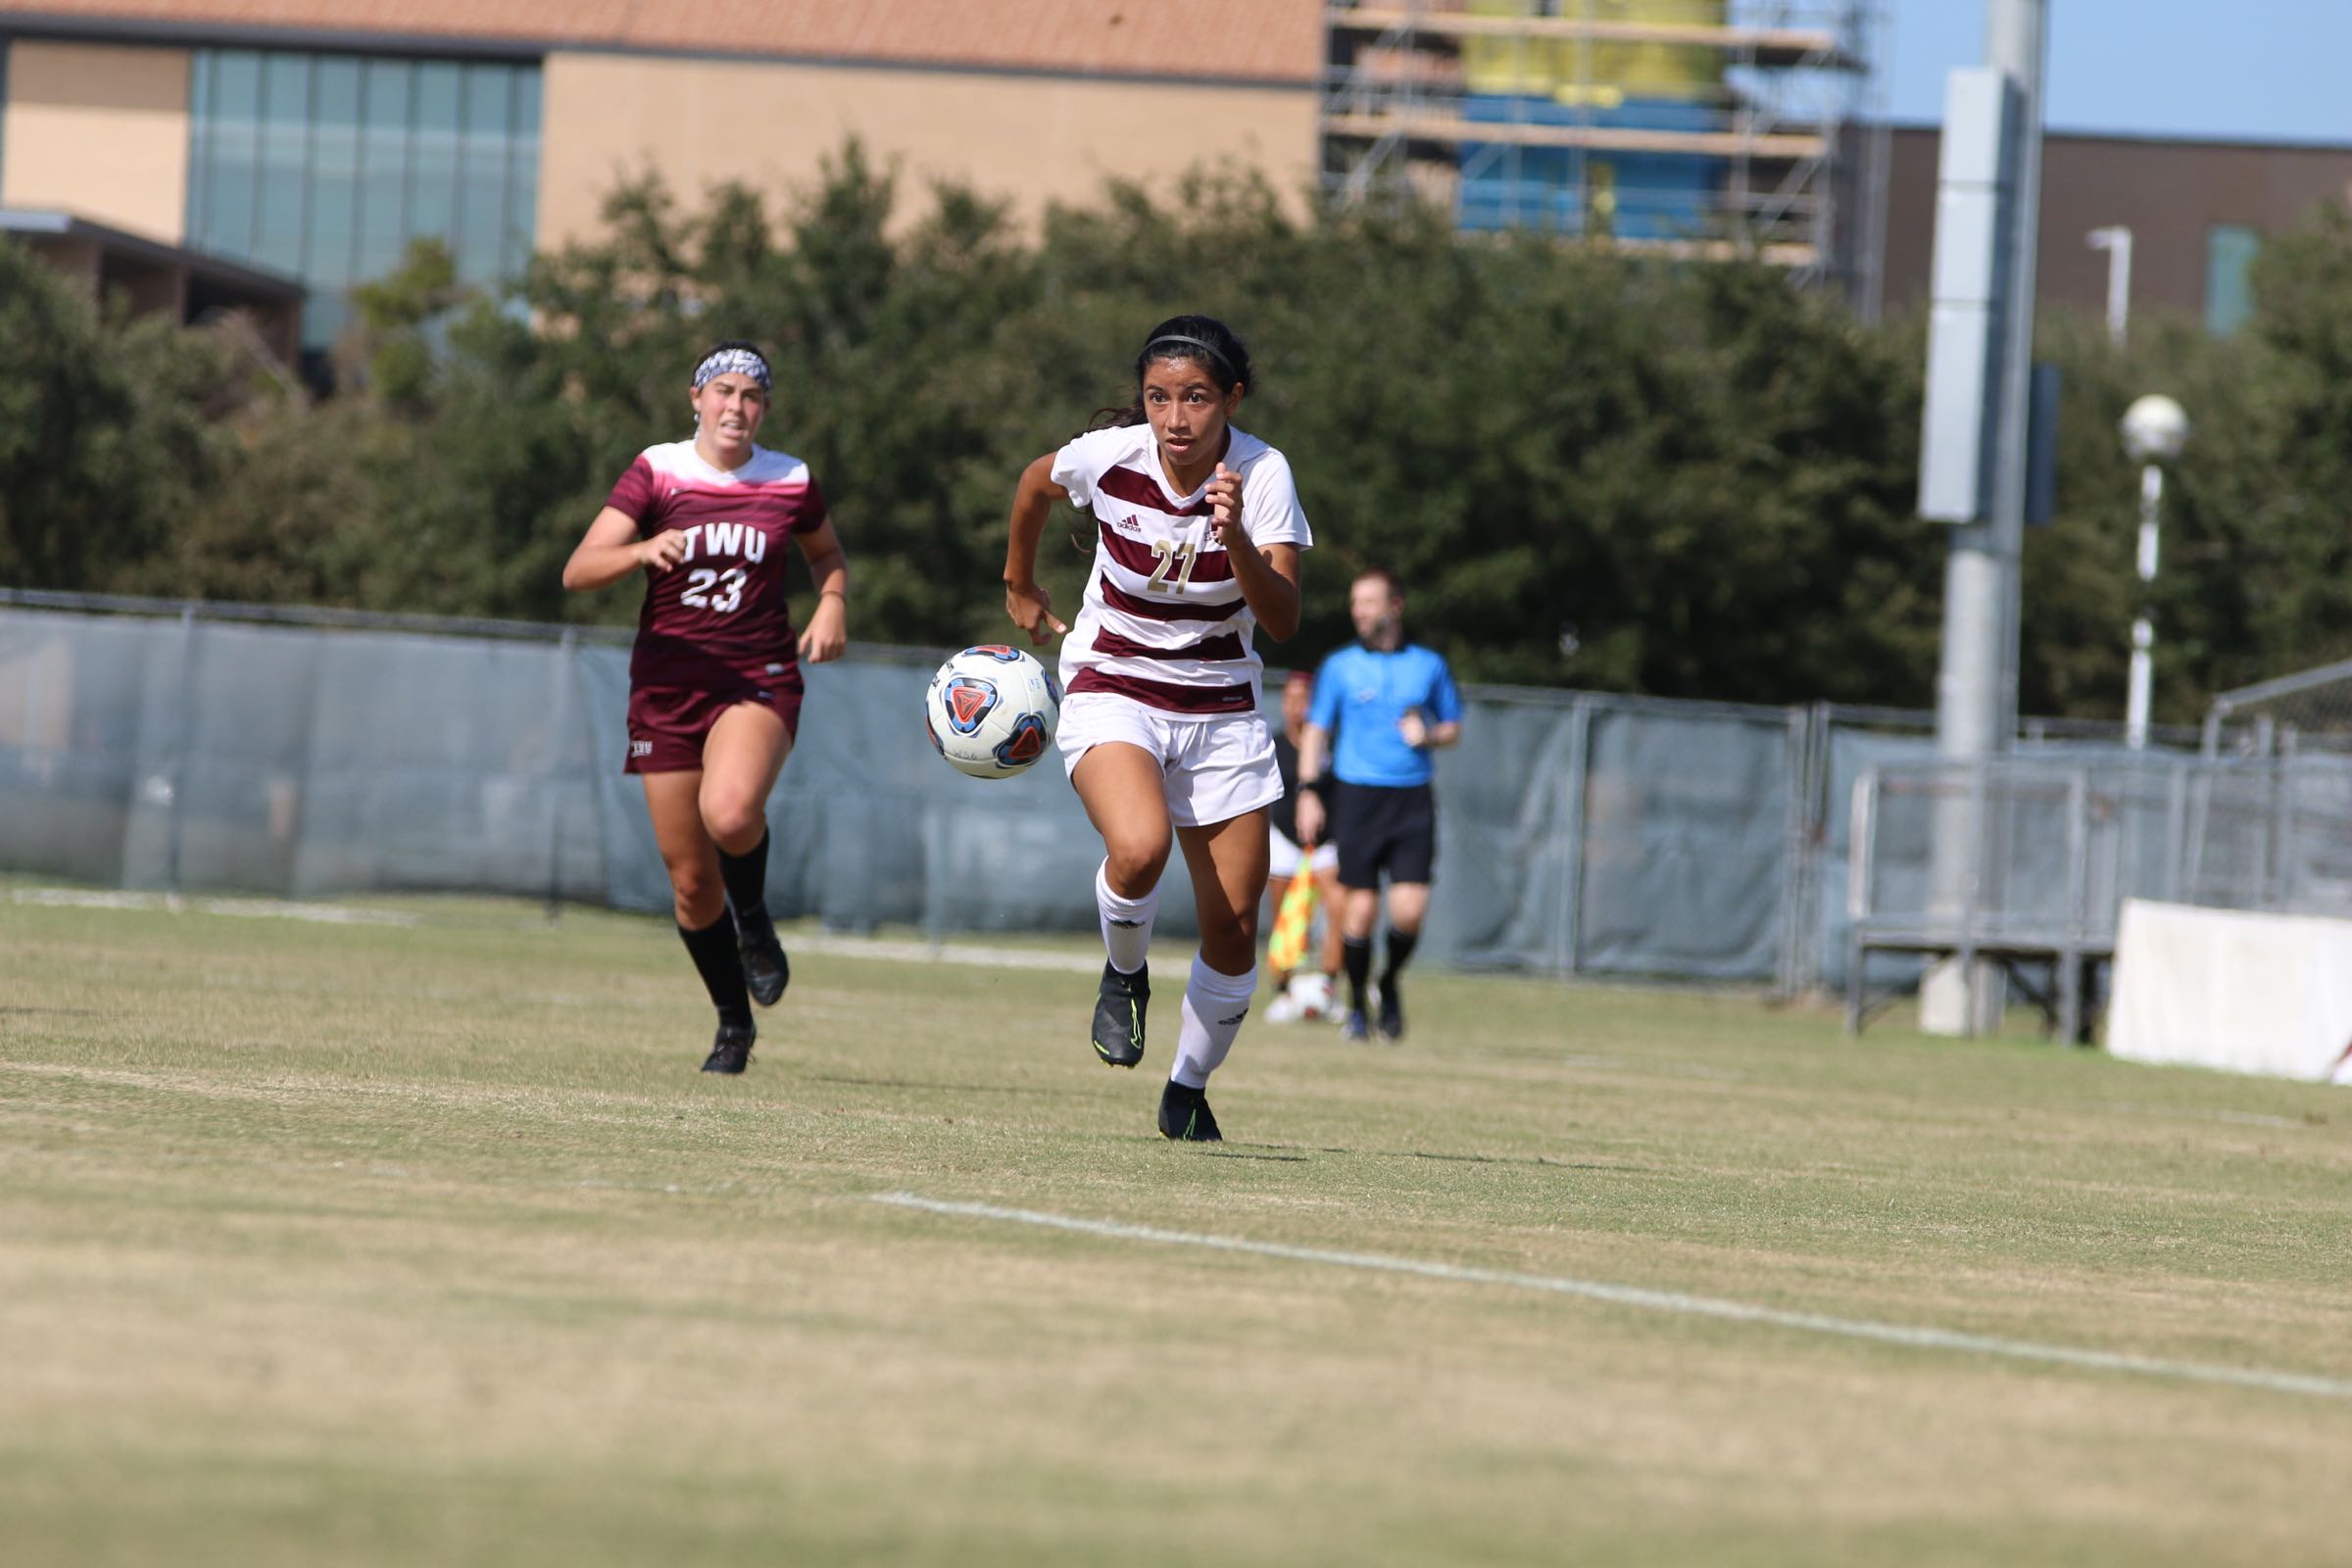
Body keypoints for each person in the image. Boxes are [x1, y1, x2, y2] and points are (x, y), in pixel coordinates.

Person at [1002, 315, 1310, 1142]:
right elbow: (1035, 483)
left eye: (1197, 399)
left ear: (1232, 400)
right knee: (1139, 848)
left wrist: (1235, 536)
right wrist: (1019, 585)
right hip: (1114, 681)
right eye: (1159, 398)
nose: (1176, 419)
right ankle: (1123, 975)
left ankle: (1187, 1087)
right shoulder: (1109, 458)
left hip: (1219, 705)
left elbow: (1282, 618)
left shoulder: (1264, 473)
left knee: (1236, 927)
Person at [561, 339, 850, 1074]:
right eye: (723, 392)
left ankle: (755, 921)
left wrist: (832, 604)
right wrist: (639, 551)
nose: (736, 407)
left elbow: (826, 555)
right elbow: (579, 569)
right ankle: (733, 1025)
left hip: (756, 676)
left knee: (730, 814)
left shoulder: (789, 478)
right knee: (691, 883)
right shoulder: (658, 470)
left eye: (751, 397)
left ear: (765, 410)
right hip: (665, 687)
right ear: (697, 400)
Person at [1294, 568, 1462, 1043]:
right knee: (1360, 913)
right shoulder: (1340, 666)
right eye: (1355, 603)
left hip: (1412, 798)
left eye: (1368, 602)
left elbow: (1453, 726)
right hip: (1357, 796)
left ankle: (1387, 982)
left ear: (1395, 607)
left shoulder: (1428, 665)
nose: (1359, 612)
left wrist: (1428, 734)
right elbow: (1317, 731)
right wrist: (1309, 791)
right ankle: (1357, 1007)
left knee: (1409, 911)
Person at [1264, 668, 1345, 1021]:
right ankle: (1284, 989)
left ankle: (1329, 985)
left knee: (1338, 907)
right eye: (1291, 700)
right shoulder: (1274, 743)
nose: (1297, 707)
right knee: (1284, 916)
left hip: (1325, 841)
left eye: (1304, 700)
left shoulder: (1330, 746)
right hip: (1283, 837)